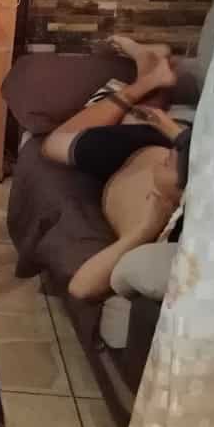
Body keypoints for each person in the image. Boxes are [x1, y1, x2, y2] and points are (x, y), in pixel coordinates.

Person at [40, 36, 189, 300]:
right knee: (137, 120)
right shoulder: (180, 176)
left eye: (174, 163)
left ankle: (150, 75)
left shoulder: (158, 223)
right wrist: (171, 130)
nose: (173, 156)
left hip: (129, 153)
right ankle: (150, 76)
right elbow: (183, 150)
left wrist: (144, 231)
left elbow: (81, 287)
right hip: (138, 148)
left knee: (56, 142)